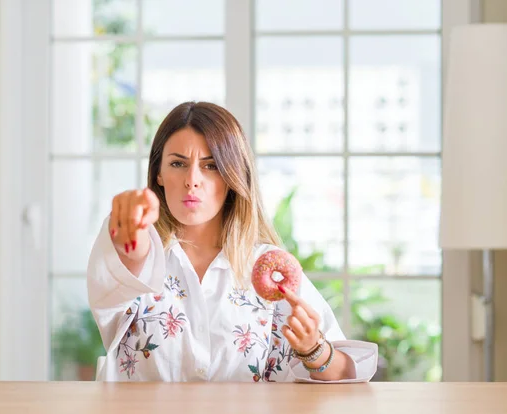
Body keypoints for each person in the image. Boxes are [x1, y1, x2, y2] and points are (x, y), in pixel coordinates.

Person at [87, 101, 378, 382]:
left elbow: (347, 373)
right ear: (159, 173)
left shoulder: (268, 270)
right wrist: (130, 234)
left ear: (232, 176)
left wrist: (313, 349)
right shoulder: (141, 258)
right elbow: (126, 264)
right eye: (178, 163)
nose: (192, 180)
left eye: (211, 165)